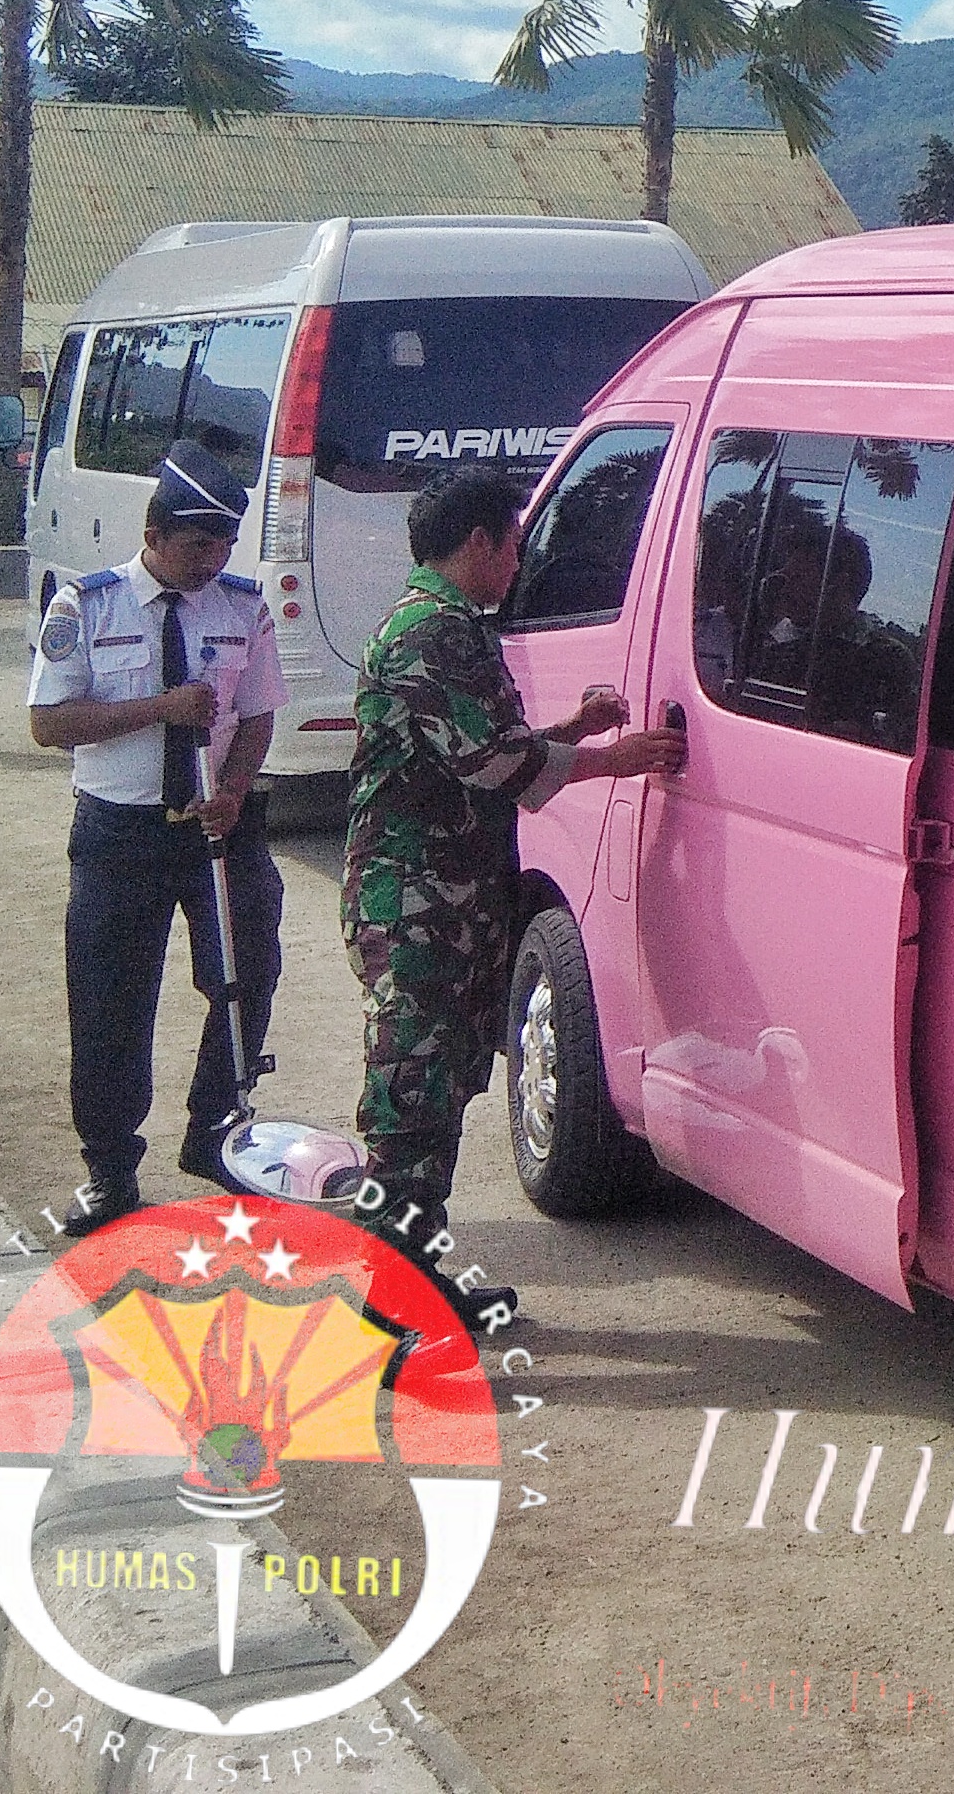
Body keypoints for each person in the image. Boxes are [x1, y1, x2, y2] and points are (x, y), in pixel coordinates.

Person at [345, 468, 682, 1312]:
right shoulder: (434, 630)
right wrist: (613, 759)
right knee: (408, 1110)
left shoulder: (446, 624)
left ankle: (417, 1288)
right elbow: (493, 763)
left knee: (439, 1096)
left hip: (448, 904)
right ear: (479, 543)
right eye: (514, 542)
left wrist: (571, 731)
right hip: (416, 908)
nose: (519, 561)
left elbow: (479, 745)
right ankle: (391, 1310)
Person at [26, 441, 284, 1234]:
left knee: (244, 979)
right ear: (155, 533)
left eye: (225, 545)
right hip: (119, 835)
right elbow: (48, 723)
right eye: (199, 545)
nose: (214, 560)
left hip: (218, 828)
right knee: (110, 1003)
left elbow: (260, 713)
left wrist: (236, 787)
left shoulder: (242, 608)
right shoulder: (85, 606)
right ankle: (109, 1169)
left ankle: (217, 1132)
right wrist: (159, 709)